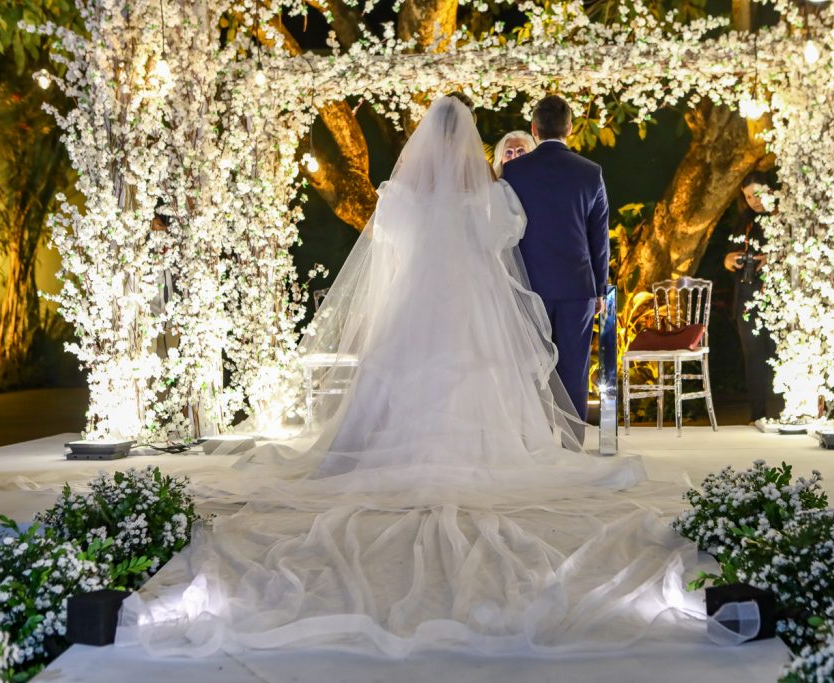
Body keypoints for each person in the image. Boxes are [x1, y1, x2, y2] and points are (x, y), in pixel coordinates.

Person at [118, 96, 700, 657]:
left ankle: (400, 446)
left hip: (416, 299)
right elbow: (506, 236)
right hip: (471, 301)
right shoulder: (488, 191)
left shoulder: (403, 194)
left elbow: (391, 242)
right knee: (480, 370)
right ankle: (485, 447)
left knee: (404, 370)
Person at [502, 95, 610, 422]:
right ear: (570, 128)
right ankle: (572, 439)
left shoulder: (514, 172)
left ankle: (534, 435)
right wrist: (600, 289)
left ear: (534, 129)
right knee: (574, 368)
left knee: (530, 366)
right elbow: (599, 237)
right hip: (577, 286)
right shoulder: (590, 172)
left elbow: (505, 230)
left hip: (528, 285)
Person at [723, 172, 777, 424]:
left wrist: (771, 259)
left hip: (777, 297)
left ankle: (788, 412)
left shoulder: (783, 218)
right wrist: (730, 260)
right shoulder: (744, 222)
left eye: (757, 194)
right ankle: (758, 415)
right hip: (746, 296)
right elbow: (728, 257)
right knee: (753, 357)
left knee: (778, 354)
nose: (754, 201)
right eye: (748, 197)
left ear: (770, 190)